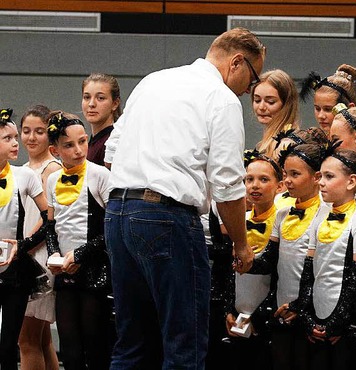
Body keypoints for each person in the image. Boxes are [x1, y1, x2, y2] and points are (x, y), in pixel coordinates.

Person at [103, 27, 265, 369]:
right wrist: (241, 244)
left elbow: (111, 152)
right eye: (252, 79)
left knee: (131, 343)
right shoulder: (220, 98)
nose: (249, 89)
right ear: (237, 62)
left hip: (117, 211)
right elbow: (227, 184)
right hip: (166, 217)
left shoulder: (153, 80)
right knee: (184, 344)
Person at [250, 143, 330, 370]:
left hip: (312, 312)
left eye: (295, 174)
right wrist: (244, 261)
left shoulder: (326, 214)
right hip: (281, 310)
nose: (287, 181)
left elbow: (321, 271)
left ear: (316, 177)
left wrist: (301, 307)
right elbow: (269, 261)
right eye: (285, 174)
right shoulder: (282, 212)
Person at [44, 111, 112, 370]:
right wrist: (55, 256)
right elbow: (51, 226)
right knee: (70, 350)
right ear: (55, 150)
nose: (79, 150)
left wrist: (81, 254)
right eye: (69, 145)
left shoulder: (100, 176)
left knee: (95, 347)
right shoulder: (52, 180)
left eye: (83, 141)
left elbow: (110, 227)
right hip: (64, 272)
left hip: (95, 270)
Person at [298, 147, 356, 370]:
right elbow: (309, 269)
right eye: (320, 176)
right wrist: (306, 316)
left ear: (351, 181)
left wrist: (339, 322)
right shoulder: (320, 214)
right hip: (316, 315)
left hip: (343, 324)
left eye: (329, 177)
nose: (321, 182)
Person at [223, 150, 283, 370]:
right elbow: (231, 271)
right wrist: (229, 310)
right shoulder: (241, 220)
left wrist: (260, 317)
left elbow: (282, 274)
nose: (254, 185)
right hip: (240, 315)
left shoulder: (283, 222)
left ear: (280, 186)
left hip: (268, 317)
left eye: (264, 179)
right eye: (249, 179)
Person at [0, 108, 49, 370]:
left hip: (15, 274)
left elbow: (49, 218)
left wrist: (25, 245)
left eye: (15, 137)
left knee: (9, 344)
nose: (16, 143)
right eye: (8, 138)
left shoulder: (25, 176)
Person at [18, 105, 61, 370]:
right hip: (27, 254)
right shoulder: (25, 167)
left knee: (26, 339)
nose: (31, 137)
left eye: (39, 132)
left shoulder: (51, 168)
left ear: (50, 135)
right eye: (26, 131)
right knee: (41, 339)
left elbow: (49, 217)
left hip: (38, 257)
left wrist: (24, 246)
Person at [252, 69, 300, 159]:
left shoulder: (288, 145)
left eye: (270, 102)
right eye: (257, 100)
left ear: (287, 104)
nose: (261, 107)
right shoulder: (266, 143)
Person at [301, 64, 356, 135]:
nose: (321, 116)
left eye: (328, 109)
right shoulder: (311, 141)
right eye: (317, 109)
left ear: (350, 108)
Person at [82, 73, 122, 167]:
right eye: (87, 97)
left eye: (100, 98)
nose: (91, 104)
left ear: (115, 103)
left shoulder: (113, 143)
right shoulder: (90, 143)